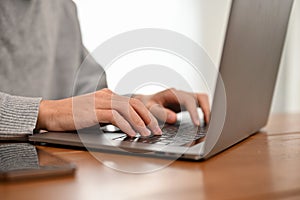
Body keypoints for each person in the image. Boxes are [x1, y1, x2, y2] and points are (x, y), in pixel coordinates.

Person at [0, 0, 210, 138]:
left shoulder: (61, 6)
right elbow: (61, 111)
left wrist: (134, 105)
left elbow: (82, 100)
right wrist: (46, 113)